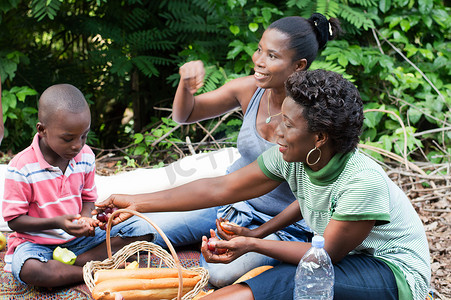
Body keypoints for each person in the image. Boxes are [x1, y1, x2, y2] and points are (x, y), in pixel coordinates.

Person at [95, 70, 430, 299]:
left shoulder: (362, 182)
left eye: (287, 123)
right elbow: (221, 188)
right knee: (275, 280)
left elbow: (326, 254)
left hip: (392, 272)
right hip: (342, 256)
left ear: (320, 137)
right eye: (278, 117)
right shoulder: (297, 157)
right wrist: (137, 201)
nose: (276, 130)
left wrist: (253, 244)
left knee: (282, 282)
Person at [142, 13, 342, 287]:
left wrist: (257, 235)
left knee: (219, 274)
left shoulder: (313, 116)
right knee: (139, 229)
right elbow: (184, 114)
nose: (258, 60)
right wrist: (185, 85)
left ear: (299, 66)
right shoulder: (250, 90)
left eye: (272, 56)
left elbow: (314, 194)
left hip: (282, 225)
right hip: (231, 204)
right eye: (259, 49)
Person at [2, 84, 153, 288]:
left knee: (143, 229)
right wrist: (58, 222)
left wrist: (85, 219)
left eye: (84, 135)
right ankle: (93, 270)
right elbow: (14, 221)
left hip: (80, 243)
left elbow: (88, 199)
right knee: (30, 269)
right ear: (42, 129)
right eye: (68, 138)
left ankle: (74, 264)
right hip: (38, 245)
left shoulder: (85, 157)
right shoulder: (22, 168)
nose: (77, 145)